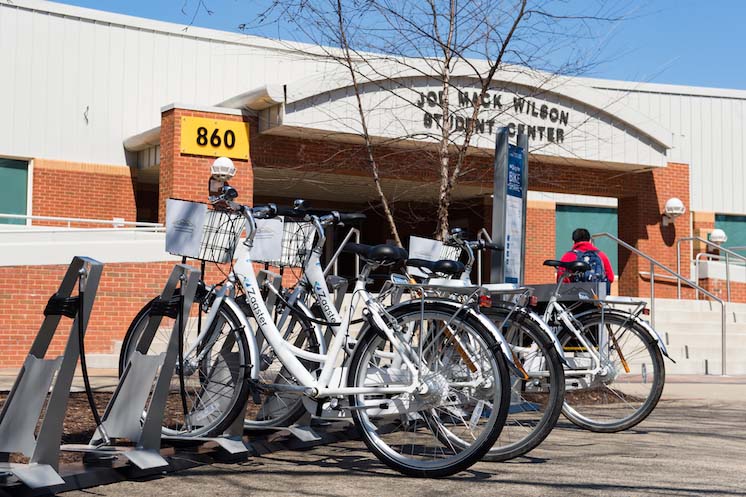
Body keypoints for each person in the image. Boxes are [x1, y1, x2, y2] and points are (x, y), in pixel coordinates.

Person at [558, 228, 614, 293]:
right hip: (598, 298)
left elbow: (561, 279)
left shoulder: (568, 256)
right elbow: (610, 278)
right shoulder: (601, 255)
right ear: (590, 240)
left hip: (574, 298)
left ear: (573, 241)